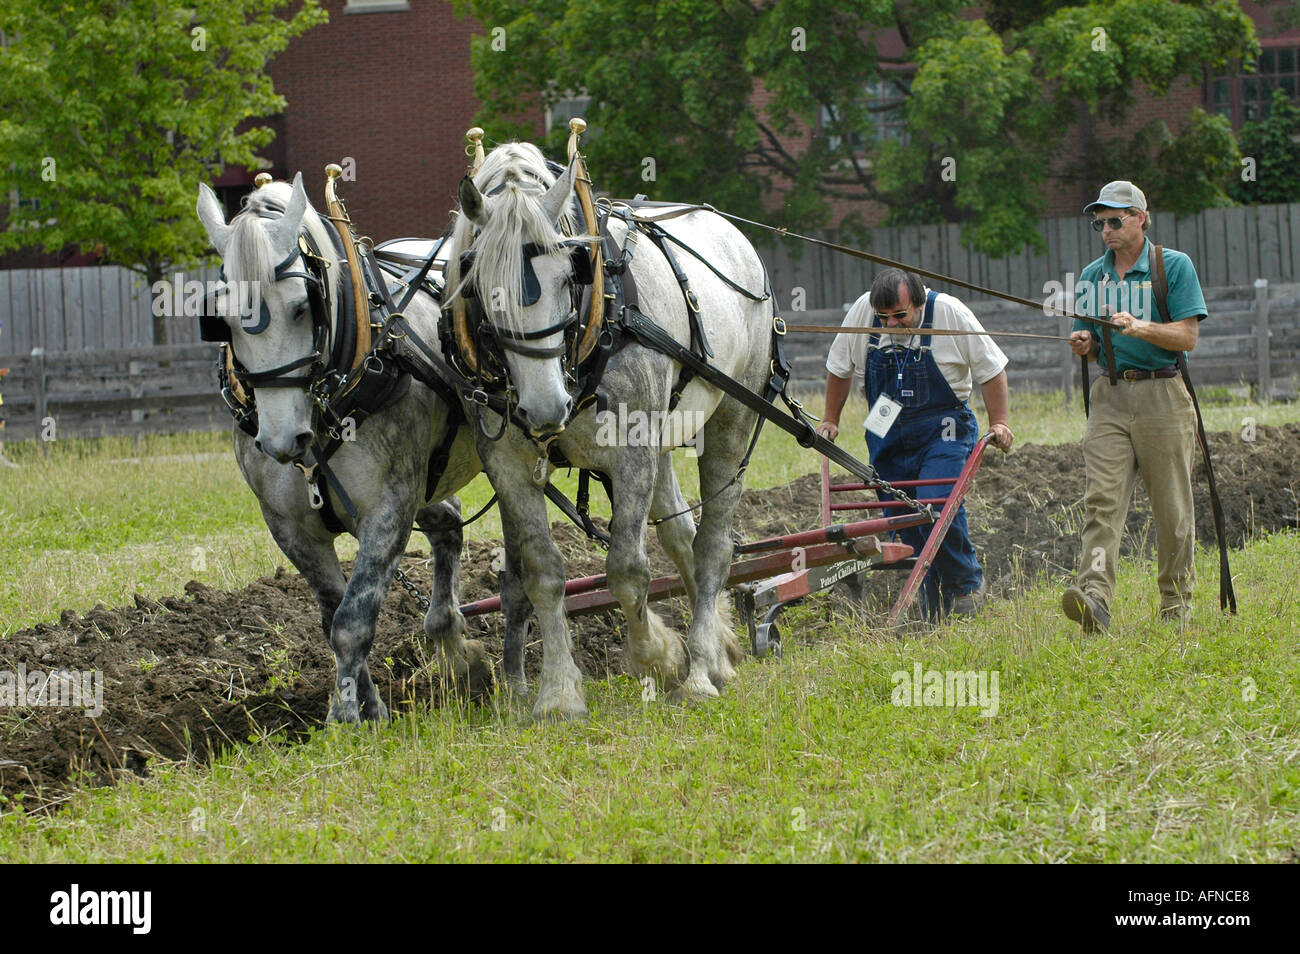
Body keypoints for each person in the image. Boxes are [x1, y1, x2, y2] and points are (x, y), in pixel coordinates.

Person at [817, 267, 1013, 619]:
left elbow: (992, 369)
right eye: (884, 317)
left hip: (944, 426)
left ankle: (966, 583)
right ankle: (934, 600)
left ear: (919, 303)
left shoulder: (950, 313)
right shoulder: (863, 311)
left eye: (899, 316)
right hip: (885, 426)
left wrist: (999, 422)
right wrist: (831, 418)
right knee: (904, 520)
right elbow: (839, 367)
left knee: (934, 503)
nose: (890, 324)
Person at [1064, 180, 1205, 632]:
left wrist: (1142, 327)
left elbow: (1187, 337)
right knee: (1101, 501)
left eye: (1114, 219)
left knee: (1172, 507)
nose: (1105, 229)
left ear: (1141, 218)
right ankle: (1095, 598)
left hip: (1162, 394)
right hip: (1109, 396)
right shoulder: (1091, 277)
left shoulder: (1173, 266)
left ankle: (1175, 604)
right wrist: (1084, 343)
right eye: (1099, 222)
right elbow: (1089, 342)